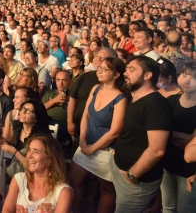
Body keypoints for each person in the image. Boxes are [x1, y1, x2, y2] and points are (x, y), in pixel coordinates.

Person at [110, 55, 172, 213]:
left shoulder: (155, 104)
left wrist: (132, 174)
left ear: (147, 75)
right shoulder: (136, 98)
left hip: (136, 182)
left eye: (132, 69)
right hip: (121, 170)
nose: (126, 72)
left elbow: (157, 150)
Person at [69, 57, 128, 213]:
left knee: (107, 189)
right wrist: (82, 140)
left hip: (105, 150)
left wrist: (92, 148)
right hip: (86, 144)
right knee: (75, 181)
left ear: (116, 75)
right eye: (99, 68)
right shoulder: (95, 88)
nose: (99, 71)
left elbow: (115, 131)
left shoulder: (120, 98)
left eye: (105, 69)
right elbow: (86, 115)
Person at [3, 133, 73, 213]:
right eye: (29, 150)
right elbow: (7, 210)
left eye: (36, 151)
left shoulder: (63, 192)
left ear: (50, 159)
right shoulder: (19, 180)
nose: (29, 155)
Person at [160, 61, 196, 212]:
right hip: (167, 162)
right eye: (184, 75)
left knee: (184, 209)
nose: (187, 80)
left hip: (189, 168)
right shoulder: (171, 100)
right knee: (167, 206)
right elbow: (162, 131)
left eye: (193, 78)